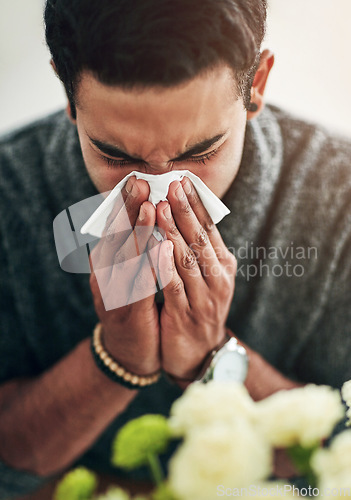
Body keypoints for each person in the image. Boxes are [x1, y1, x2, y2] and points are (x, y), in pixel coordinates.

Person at [0, 0, 350, 497]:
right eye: (115, 155)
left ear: (257, 84)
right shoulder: (10, 191)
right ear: (68, 92)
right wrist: (114, 359)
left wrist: (212, 357)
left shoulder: (341, 200)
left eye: (201, 151)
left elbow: (341, 458)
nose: (160, 193)